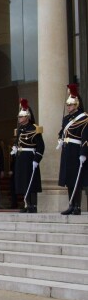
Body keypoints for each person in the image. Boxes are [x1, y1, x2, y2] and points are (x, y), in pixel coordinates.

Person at [58, 84, 88, 215]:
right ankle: (71, 204)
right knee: (69, 179)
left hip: (76, 150)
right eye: (67, 105)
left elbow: (86, 137)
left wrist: (83, 153)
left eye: (70, 105)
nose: (68, 107)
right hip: (67, 150)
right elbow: (62, 132)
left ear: (76, 104)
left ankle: (77, 206)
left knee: (77, 179)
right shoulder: (66, 119)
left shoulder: (84, 117)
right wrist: (60, 139)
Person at [12, 99, 44, 214]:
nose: (19, 119)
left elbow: (41, 147)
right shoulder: (20, 129)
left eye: (21, 117)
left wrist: (37, 159)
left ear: (27, 117)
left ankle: (33, 205)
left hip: (30, 157)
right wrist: (15, 147)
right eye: (19, 117)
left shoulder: (34, 129)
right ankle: (26, 204)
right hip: (21, 157)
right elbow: (18, 141)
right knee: (24, 182)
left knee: (32, 182)